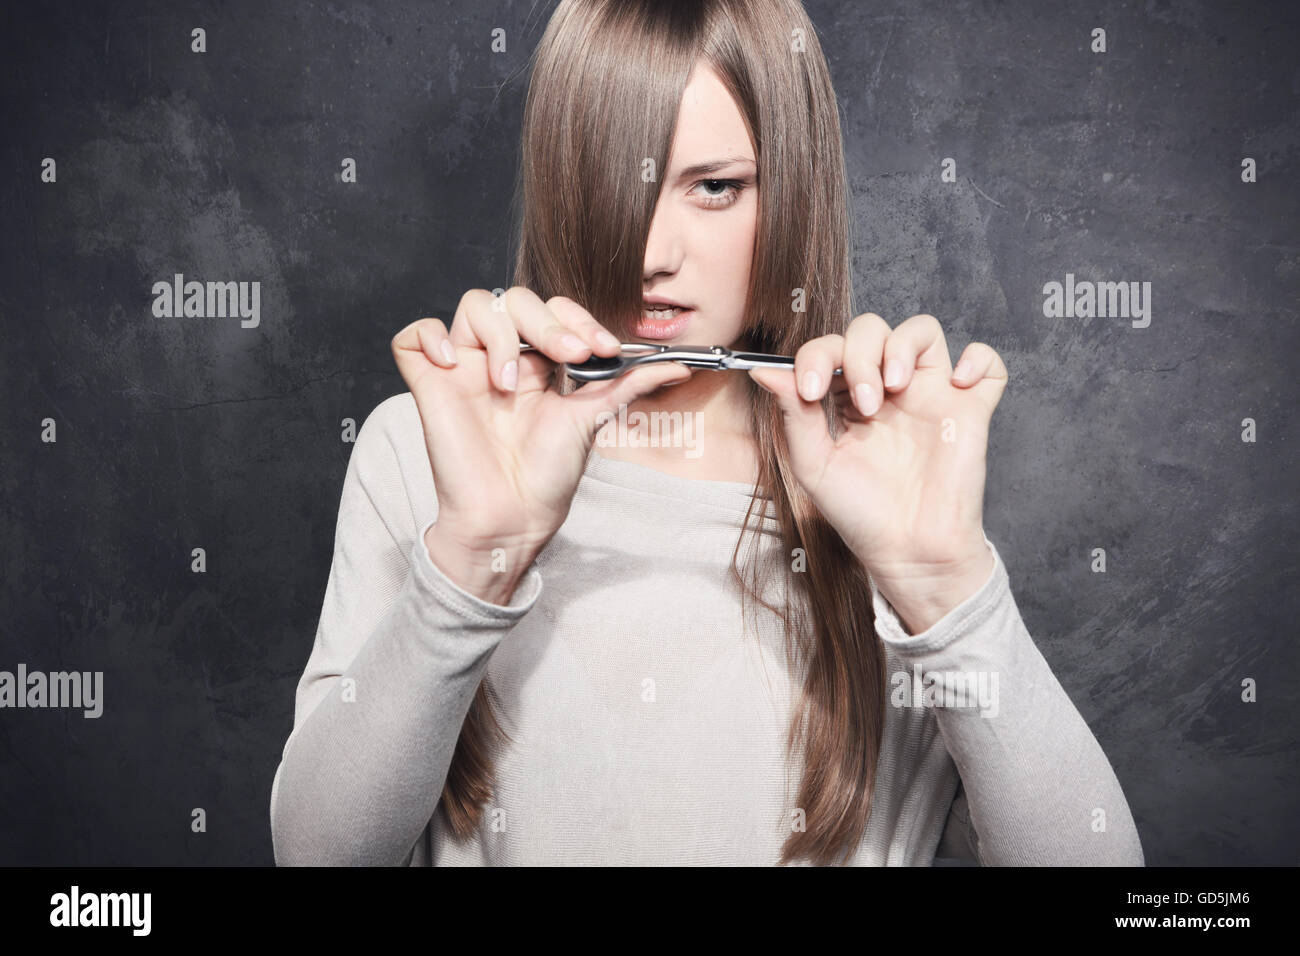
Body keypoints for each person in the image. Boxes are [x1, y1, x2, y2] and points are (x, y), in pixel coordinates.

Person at [270, 0, 1145, 866]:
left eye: (715, 187)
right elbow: (317, 855)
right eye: (619, 183)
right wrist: (474, 557)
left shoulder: (885, 483)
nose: (653, 251)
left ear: (791, 190)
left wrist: (945, 589)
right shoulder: (427, 450)